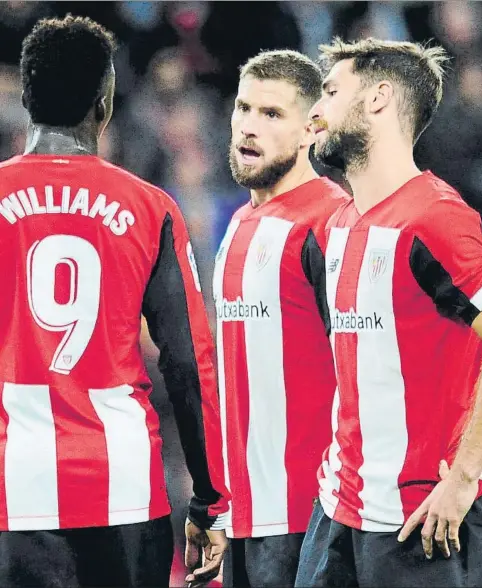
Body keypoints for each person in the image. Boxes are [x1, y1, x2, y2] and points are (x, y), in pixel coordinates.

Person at [296, 37, 482, 588]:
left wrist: (463, 479)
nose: (317, 109)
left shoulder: (433, 218)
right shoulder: (338, 224)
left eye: (332, 91)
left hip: (418, 521)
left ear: (379, 98)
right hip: (336, 509)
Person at [0, 16, 229, 588]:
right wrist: (208, 498)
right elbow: (188, 363)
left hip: (11, 486)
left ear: (26, 101)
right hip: (123, 487)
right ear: (105, 105)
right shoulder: (152, 210)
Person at [191, 49, 348, 588]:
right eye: (244, 108)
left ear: (311, 129)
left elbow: (363, 369)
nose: (249, 128)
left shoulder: (331, 221)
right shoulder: (236, 224)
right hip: (243, 518)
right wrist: (216, 504)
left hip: (311, 518)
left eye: (272, 114)